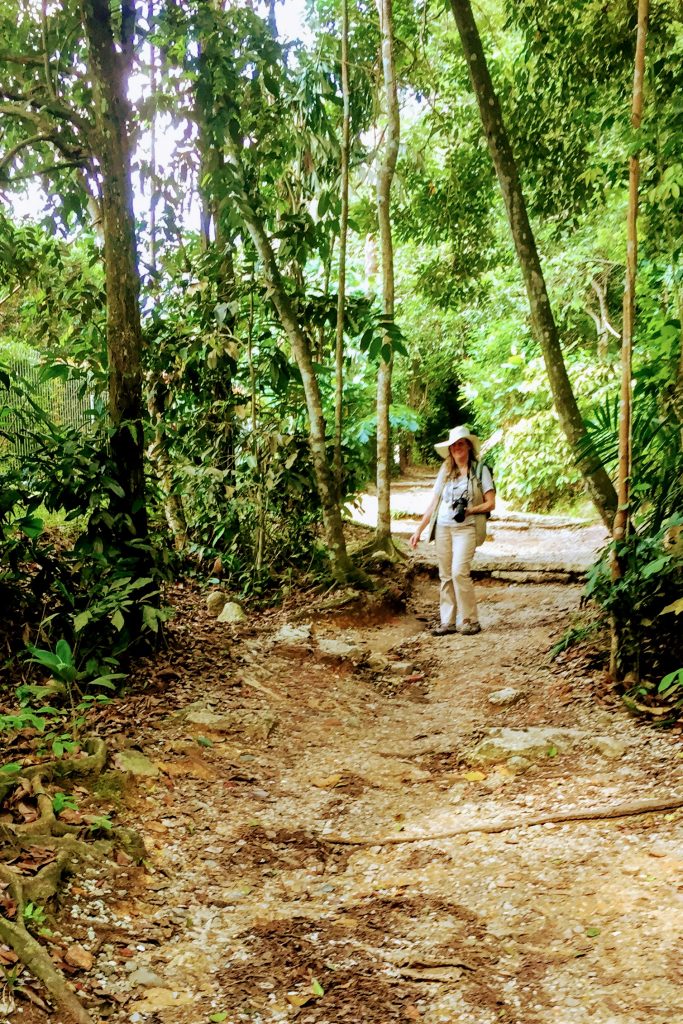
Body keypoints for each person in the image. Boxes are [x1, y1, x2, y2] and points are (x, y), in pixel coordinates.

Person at [409, 425, 495, 636]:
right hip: (443, 528)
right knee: (446, 574)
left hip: (466, 528)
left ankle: (469, 620)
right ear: (450, 449)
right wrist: (419, 529)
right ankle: (447, 621)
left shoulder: (479, 470)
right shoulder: (445, 471)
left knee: (459, 572)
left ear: (468, 446)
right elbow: (434, 502)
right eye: (454, 445)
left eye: (461, 444)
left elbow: (491, 503)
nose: (457, 448)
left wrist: (470, 510)